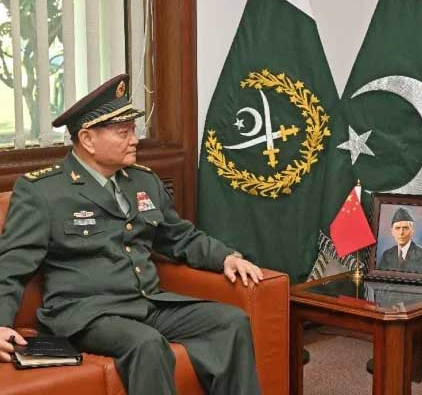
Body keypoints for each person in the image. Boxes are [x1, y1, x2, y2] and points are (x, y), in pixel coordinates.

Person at [0, 74, 263, 395]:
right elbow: (11, 266)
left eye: (134, 130)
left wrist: (225, 256)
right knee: (147, 344)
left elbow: (178, 237)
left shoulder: (143, 181)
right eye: (123, 132)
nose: (135, 139)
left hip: (145, 304)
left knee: (230, 322)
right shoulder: (44, 192)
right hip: (86, 313)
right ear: (88, 138)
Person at [378, 207, 422, 273]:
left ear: (412, 231)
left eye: (405, 228)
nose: (401, 232)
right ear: (392, 231)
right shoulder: (387, 255)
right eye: (397, 228)